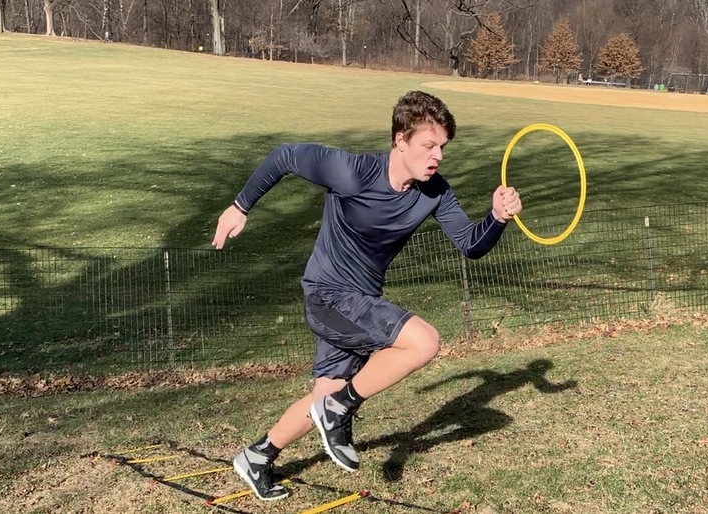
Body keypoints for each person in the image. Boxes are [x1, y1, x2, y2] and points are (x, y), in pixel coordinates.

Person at [210, 90, 523, 501]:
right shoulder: (353, 171)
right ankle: (340, 407)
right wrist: (240, 206)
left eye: (442, 147)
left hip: (358, 304)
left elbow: (470, 244)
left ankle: (258, 456)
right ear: (400, 140)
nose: (438, 156)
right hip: (327, 296)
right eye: (429, 145)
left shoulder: (436, 191)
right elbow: (285, 156)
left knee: (324, 399)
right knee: (424, 342)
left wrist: (497, 218)